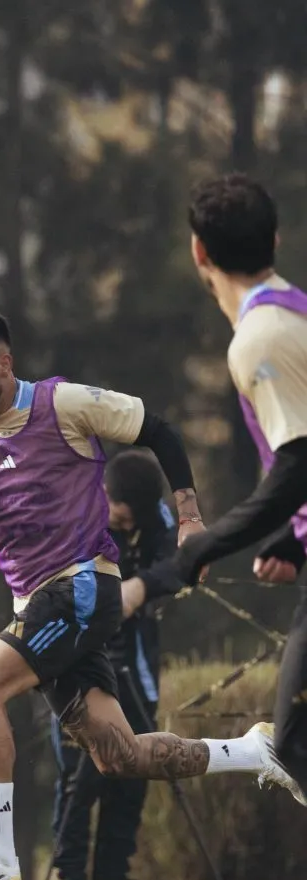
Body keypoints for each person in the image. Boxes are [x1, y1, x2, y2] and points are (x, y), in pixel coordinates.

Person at [0, 306, 304, 880]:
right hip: (38, 604)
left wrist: (189, 516)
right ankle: (254, 751)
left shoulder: (64, 404)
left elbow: (159, 431)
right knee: (120, 756)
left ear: (4, 363)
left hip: (80, 587)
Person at [173, 172, 307, 796]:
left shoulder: (261, 338)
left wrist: (210, 542)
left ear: (198, 251)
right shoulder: (292, 314)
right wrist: (296, 538)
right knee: (294, 744)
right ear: (275, 239)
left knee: (295, 746)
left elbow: (298, 464)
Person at [51, 450, 180, 880]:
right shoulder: (75, 512)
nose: (125, 526)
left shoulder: (157, 517)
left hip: (135, 665)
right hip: (77, 662)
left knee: (133, 771)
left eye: (132, 521)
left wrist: (140, 588)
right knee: (77, 776)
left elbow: (179, 565)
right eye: (120, 518)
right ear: (104, 492)